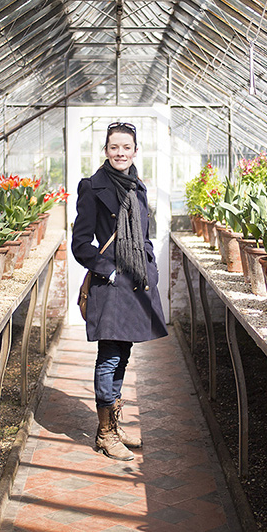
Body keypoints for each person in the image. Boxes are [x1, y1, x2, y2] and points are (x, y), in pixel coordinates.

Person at [72, 121, 168, 460]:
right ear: (106, 150)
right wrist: (107, 271)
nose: (120, 153)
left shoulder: (137, 186)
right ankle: (104, 433)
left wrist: (151, 270)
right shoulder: (92, 187)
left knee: (124, 353)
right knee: (109, 355)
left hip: (136, 280)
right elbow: (80, 244)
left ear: (135, 150)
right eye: (114, 147)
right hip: (110, 282)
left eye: (126, 147)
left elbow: (143, 235)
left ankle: (113, 422)